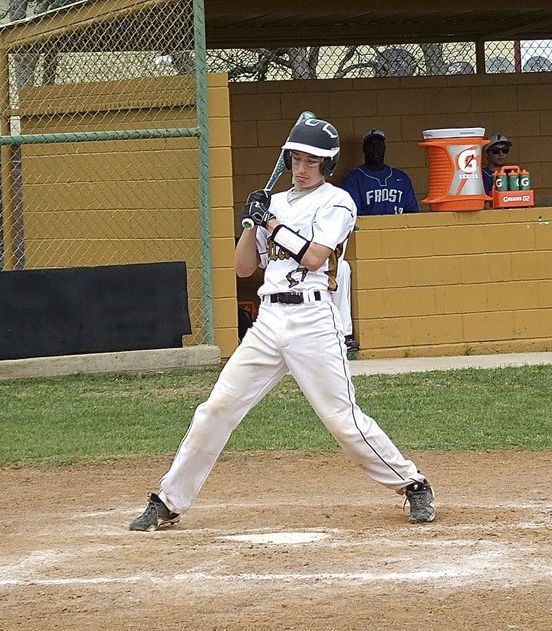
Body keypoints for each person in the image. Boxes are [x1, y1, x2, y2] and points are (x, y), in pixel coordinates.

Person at [129, 118, 435, 532]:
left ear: (327, 163)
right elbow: (243, 268)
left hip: (313, 318)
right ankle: (168, 500)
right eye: (296, 159)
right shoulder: (272, 204)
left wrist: (272, 224)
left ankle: (412, 483)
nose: (302, 168)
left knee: (340, 417)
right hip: (269, 320)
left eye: (311, 161)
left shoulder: (338, 202)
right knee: (215, 409)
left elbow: (313, 258)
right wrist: (251, 221)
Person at [338, 128, 420, 351]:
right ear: (364, 148)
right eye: (371, 144)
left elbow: (413, 214)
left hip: (400, 244)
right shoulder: (355, 178)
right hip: (367, 249)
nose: (375, 149)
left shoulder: (401, 178)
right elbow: (350, 218)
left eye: (379, 144)